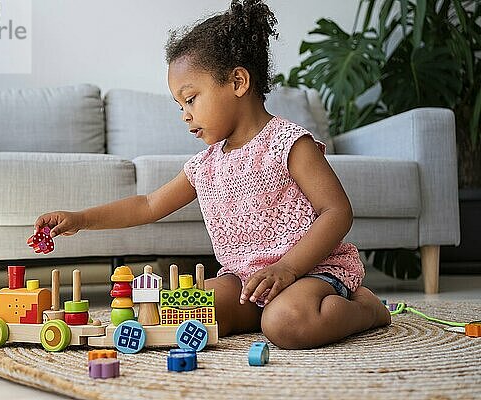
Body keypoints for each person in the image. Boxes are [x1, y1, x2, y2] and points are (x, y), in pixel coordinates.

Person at [34, 0, 391, 349]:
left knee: (286, 323)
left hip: (311, 270)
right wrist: (80, 218)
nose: (185, 115)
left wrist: (288, 268)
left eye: (191, 99)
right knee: (182, 310)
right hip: (244, 281)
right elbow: (147, 205)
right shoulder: (205, 165)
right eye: (180, 106)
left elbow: (337, 212)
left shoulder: (288, 143)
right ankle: (257, 314)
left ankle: (366, 309)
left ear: (237, 81)